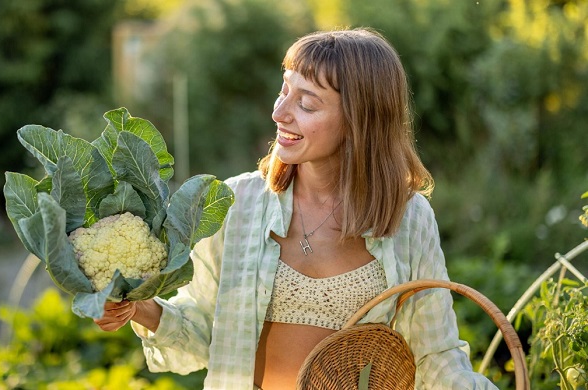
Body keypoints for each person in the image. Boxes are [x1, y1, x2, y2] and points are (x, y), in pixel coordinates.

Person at [94, 27, 498, 390]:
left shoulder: (408, 217)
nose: (279, 112)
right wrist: (142, 310)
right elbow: (203, 333)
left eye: (306, 103)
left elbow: (434, 356)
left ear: (359, 120)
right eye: (284, 89)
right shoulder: (234, 206)